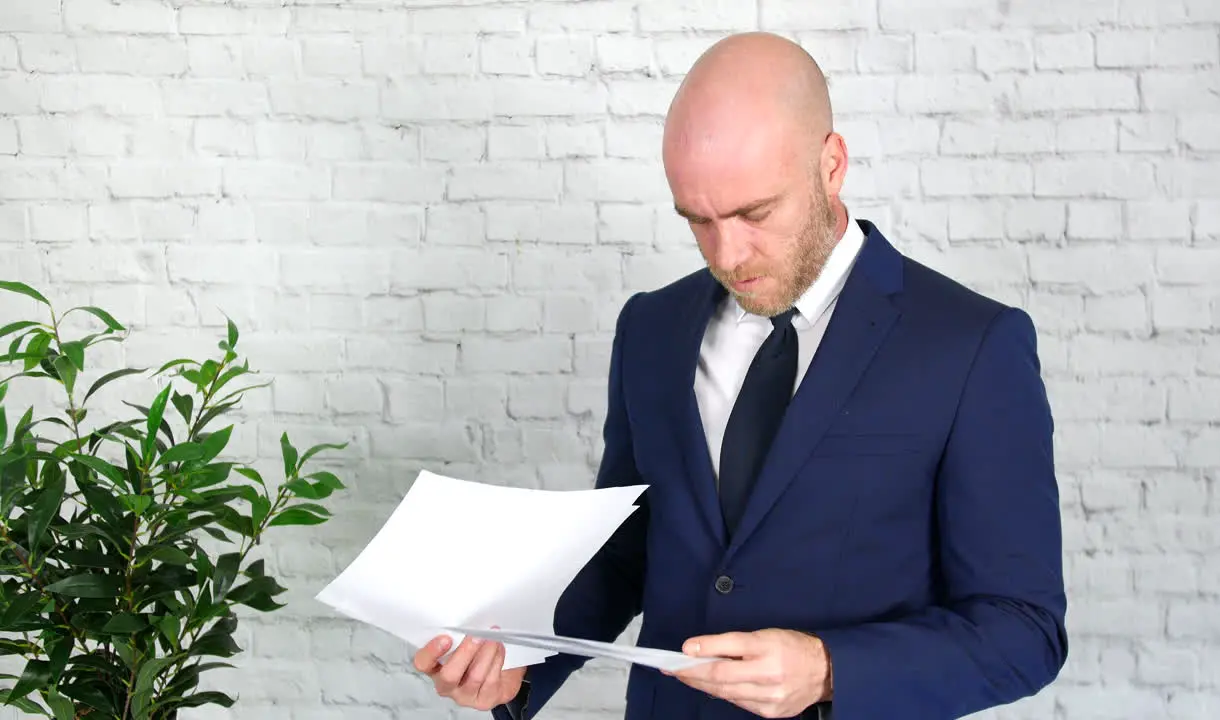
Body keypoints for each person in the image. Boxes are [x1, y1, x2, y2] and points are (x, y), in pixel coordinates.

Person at [412, 31, 1068, 720]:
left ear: (832, 164)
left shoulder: (971, 345)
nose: (728, 254)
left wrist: (827, 669)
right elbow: (627, 556)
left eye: (755, 213)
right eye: (698, 221)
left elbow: (1023, 631)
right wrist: (517, 662)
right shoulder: (651, 329)